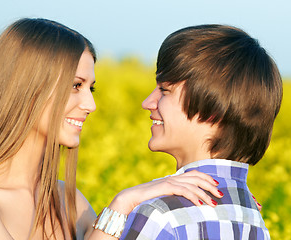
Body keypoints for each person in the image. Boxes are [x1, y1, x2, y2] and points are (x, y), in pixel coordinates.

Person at [0, 18, 224, 240]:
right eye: (75, 86)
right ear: (24, 89)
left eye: (91, 88)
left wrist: (226, 217)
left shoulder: (69, 201)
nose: (90, 105)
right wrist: (123, 203)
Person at [120, 24, 282, 240]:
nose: (147, 102)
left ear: (214, 108)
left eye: (165, 90)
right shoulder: (255, 220)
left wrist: (123, 203)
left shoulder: (160, 215)